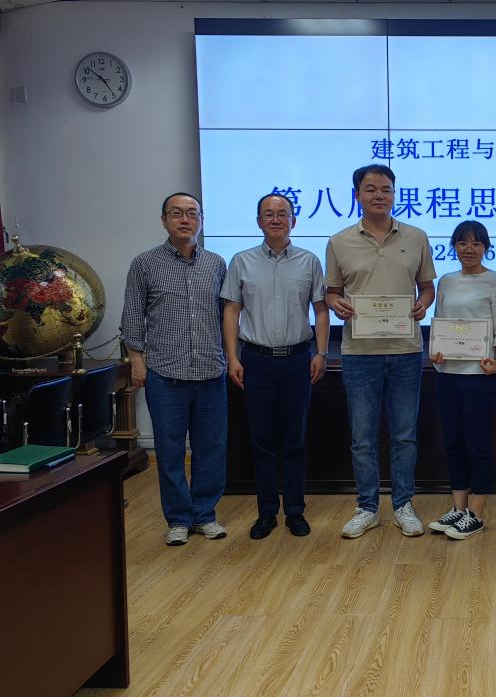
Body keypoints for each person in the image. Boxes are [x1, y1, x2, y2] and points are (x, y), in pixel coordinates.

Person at [324, 165, 436, 538]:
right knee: (363, 438)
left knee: (404, 435)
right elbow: (331, 293)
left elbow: (427, 287)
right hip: (359, 353)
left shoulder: (416, 237)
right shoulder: (339, 241)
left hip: (406, 350)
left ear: (394, 194)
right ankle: (367, 507)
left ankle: (403, 505)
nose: (379, 195)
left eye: (386, 189)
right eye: (370, 189)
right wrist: (337, 304)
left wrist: (423, 304)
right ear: (357, 194)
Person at [121, 192, 228, 546]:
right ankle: (179, 518)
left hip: (210, 372)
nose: (185, 219)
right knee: (169, 452)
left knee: (211, 449)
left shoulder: (216, 264)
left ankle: (205, 514)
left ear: (201, 220)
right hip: (165, 374)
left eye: (192, 213)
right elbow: (133, 315)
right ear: (164, 220)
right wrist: (137, 361)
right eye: (177, 213)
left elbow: (227, 317)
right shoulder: (145, 264)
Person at [221, 193, 330, 540]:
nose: (276, 219)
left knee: (295, 440)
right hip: (257, 360)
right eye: (268, 214)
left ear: (293, 221)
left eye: (283, 213)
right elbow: (231, 311)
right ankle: (267, 511)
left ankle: (295, 510)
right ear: (258, 221)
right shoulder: (242, 261)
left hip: (298, 359)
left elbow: (321, 310)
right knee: (262, 440)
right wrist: (233, 357)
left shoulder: (309, 261)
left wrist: (321, 352)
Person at [427, 221, 496, 540]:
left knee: (477, 444)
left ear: (485, 247)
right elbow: (440, 323)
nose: (469, 249)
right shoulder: (447, 281)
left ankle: (476, 513)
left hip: (479, 375)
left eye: (476, 243)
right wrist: (435, 352)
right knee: (453, 443)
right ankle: (458, 508)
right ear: (454, 246)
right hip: (447, 374)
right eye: (462, 243)